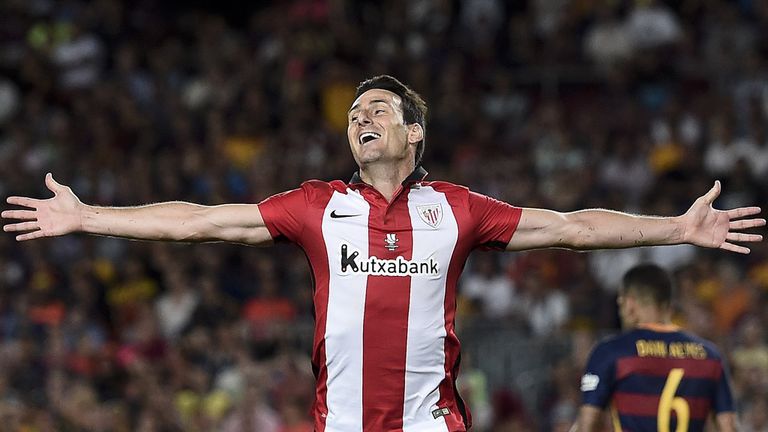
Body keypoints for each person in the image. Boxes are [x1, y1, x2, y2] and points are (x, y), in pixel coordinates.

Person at [2, 75, 764, 432]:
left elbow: (572, 225)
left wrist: (673, 227)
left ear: (414, 133)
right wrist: (90, 215)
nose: (360, 119)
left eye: (378, 110)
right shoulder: (315, 206)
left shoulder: (458, 210)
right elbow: (201, 221)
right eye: (354, 114)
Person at [574, 264, 737, 432]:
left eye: (620, 304)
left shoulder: (611, 352)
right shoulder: (710, 356)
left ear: (630, 303)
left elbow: (588, 423)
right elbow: (728, 426)